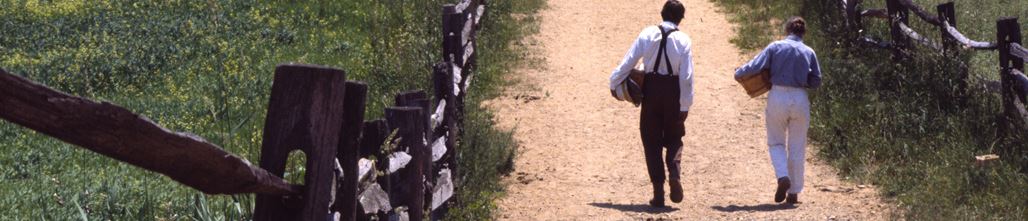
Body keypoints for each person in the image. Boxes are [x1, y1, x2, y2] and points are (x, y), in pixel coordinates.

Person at [609, 0, 694, 208]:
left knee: (651, 140)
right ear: (680, 19)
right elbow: (687, 76)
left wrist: (614, 83)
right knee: (675, 136)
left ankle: (658, 192)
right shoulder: (683, 40)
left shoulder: (648, 33)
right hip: (673, 92)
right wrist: (685, 105)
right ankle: (674, 172)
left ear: (662, 13)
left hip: (651, 91)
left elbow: (629, 61)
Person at [734, 16, 822, 204]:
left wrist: (739, 73)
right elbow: (816, 80)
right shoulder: (809, 51)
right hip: (800, 98)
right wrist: (801, 79)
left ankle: (783, 177)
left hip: (778, 96)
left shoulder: (775, 47)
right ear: (803, 33)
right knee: (797, 146)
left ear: (787, 30)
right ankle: (794, 193)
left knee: (776, 142)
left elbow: (755, 65)